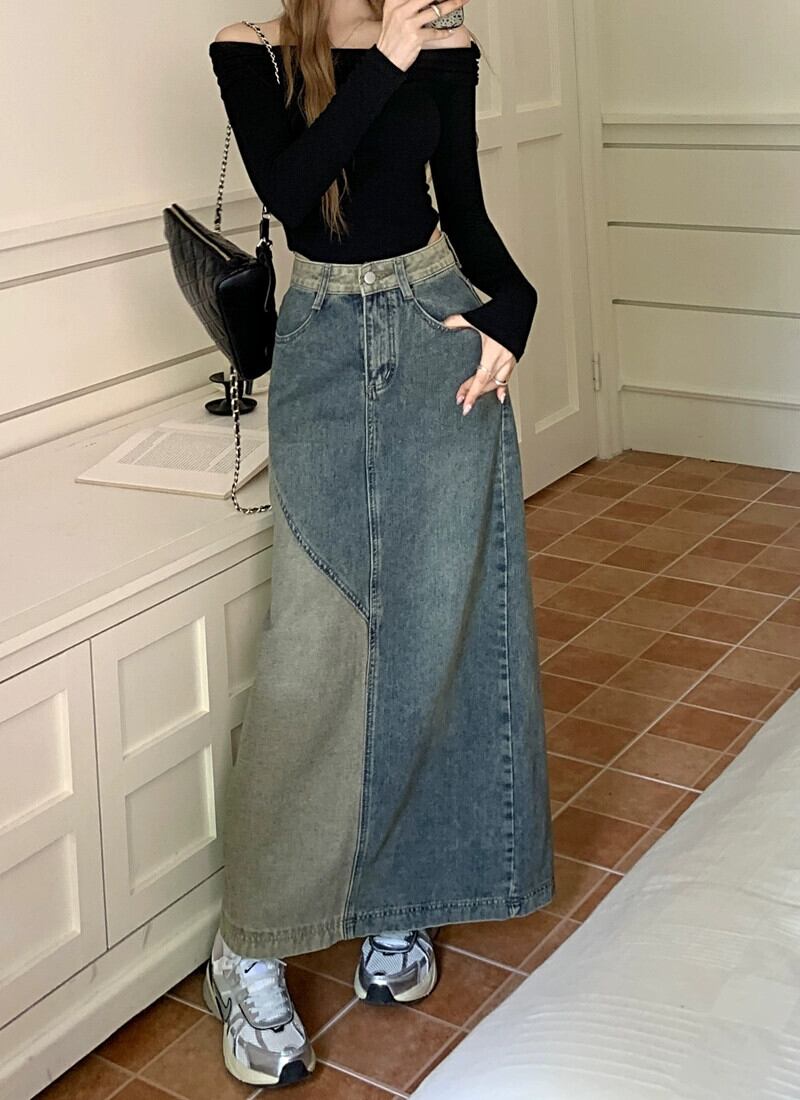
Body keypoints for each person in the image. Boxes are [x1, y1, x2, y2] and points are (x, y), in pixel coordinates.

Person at [204, 0, 555, 1087]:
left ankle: (397, 899)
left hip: (434, 335)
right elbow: (291, 191)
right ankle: (248, 944)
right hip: (319, 346)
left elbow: (464, 207)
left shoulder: (448, 44)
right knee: (312, 654)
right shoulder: (252, 47)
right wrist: (387, 58)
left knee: (436, 628)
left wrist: (514, 315)